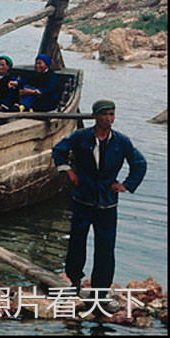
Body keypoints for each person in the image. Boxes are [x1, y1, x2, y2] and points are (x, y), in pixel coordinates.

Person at [52, 99, 147, 310]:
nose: (109, 119)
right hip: (82, 198)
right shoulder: (81, 137)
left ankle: (100, 292)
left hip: (107, 202)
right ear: (95, 116)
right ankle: (74, 282)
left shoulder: (121, 141)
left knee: (105, 247)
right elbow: (58, 150)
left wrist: (126, 185)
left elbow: (139, 164)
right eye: (105, 114)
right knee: (77, 241)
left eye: (112, 114)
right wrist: (69, 171)